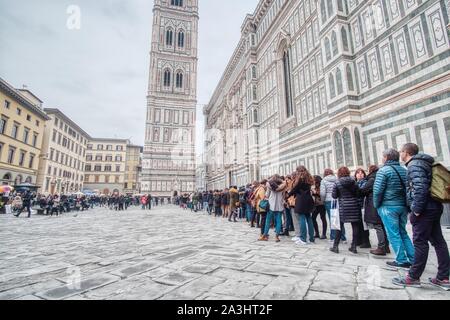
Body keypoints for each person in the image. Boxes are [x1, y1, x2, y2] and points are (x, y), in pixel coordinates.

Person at [392, 143, 450, 289]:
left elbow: (420, 188)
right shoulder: (425, 162)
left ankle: (413, 277)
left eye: (401, 151)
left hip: (424, 209)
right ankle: (443, 277)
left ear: (406, 152)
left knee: (420, 242)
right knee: (438, 241)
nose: (400, 154)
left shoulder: (415, 165)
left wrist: (416, 210)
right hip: (434, 206)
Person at [373, 148, 414, 270]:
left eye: (383, 156)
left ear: (386, 157)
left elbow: (378, 191)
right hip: (403, 206)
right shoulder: (404, 170)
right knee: (403, 232)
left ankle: (401, 260)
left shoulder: (383, 171)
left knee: (393, 234)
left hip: (389, 207)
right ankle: (413, 258)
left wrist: (377, 205)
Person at [359, 165, 390, 256]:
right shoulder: (381, 176)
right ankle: (386, 246)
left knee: (378, 226)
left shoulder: (372, 178)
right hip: (381, 203)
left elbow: (363, 190)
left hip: (374, 203)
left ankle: (381, 247)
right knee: (381, 225)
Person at [330, 167, 362, 254]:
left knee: (339, 226)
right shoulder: (353, 182)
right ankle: (354, 246)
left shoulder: (337, 183)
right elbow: (358, 193)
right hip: (354, 206)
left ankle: (335, 247)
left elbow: (334, 196)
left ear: (339, 174)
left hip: (343, 207)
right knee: (355, 226)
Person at [289, 166, 315, 246]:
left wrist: (288, 194)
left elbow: (295, 189)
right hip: (308, 199)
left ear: (298, 171)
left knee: (301, 218)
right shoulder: (309, 178)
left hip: (301, 199)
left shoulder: (300, 179)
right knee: (309, 218)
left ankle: (303, 239)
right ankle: (311, 238)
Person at [321, 169, 346, 245]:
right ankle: (343, 237)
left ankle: (333, 237)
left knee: (332, 219)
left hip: (328, 201)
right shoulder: (337, 179)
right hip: (337, 200)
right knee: (339, 218)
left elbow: (322, 193)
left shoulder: (324, 181)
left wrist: (323, 200)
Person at [261, 175, 286, 242]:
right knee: (279, 221)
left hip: (271, 205)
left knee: (268, 221)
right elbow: (284, 195)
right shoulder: (283, 186)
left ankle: (265, 235)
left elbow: (267, 195)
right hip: (279, 205)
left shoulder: (270, 186)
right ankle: (277, 237)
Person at [355, 168, 372, 249]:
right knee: (358, 224)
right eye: (358, 173)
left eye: (362, 173)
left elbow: (361, 193)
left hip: (363, 205)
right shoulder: (355, 182)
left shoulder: (365, 182)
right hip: (357, 205)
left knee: (363, 225)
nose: (360, 174)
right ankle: (359, 240)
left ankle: (366, 241)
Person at [312, 175, 327, 240]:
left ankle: (324, 234)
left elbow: (321, 194)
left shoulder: (321, 185)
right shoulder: (315, 185)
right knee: (313, 218)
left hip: (321, 204)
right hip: (316, 204)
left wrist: (314, 192)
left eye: (314, 179)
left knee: (323, 218)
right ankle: (317, 233)